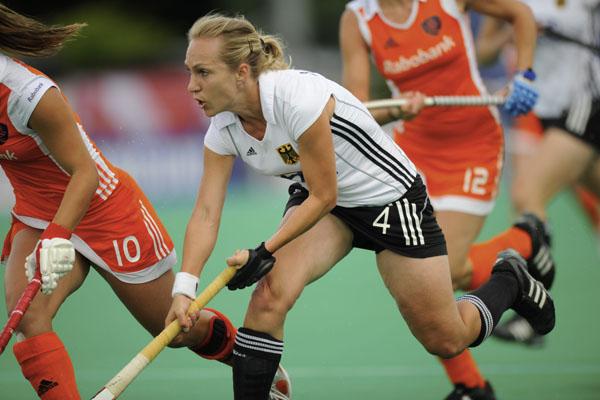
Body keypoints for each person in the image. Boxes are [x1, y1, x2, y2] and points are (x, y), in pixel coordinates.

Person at [167, 12, 555, 400]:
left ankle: (510, 279)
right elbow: (206, 212)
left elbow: (325, 194)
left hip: (389, 199)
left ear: (241, 72)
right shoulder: (224, 127)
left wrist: (264, 251)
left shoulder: (294, 98)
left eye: (203, 72)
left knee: (447, 338)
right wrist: (184, 289)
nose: (191, 86)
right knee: (269, 296)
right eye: (189, 72)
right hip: (328, 207)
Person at [0, 5, 290, 400]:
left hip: (103, 207)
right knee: (28, 318)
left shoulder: (27, 95)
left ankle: (247, 356)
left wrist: (57, 235)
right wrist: (47, 230)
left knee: (174, 330)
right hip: (37, 213)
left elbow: (85, 173)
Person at [339, 0, 547, 398]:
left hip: (474, 144)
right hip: (411, 153)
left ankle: (524, 245)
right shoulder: (358, 19)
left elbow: (521, 14)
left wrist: (525, 74)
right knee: (419, 284)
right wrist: (398, 109)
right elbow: (359, 111)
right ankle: (471, 386)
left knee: (444, 274)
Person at [475, 0, 600, 346]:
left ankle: (533, 307)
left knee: (526, 194)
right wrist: (515, 31)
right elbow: (482, 51)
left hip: (585, 104)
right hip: (546, 112)